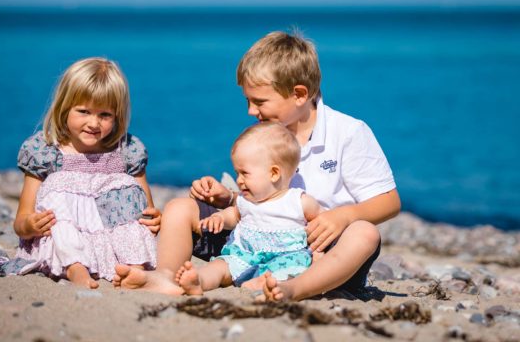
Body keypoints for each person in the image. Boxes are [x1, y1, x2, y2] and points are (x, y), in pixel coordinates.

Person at [113, 31, 400, 301]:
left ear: (299, 94)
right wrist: (228, 199)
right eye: (248, 101)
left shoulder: (347, 132)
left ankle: (292, 288)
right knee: (179, 207)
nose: (251, 111)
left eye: (259, 102)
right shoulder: (267, 132)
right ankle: (166, 277)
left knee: (365, 233)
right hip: (252, 243)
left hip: (318, 251)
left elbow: (389, 202)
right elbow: (267, 199)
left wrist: (344, 217)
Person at [0, 58, 161, 288]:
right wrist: (30, 225)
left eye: (105, 115)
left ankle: (135, 268)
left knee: (124, 186)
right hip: (64, 240)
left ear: (117, 116)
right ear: (64, 107)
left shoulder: (127, 151)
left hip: (113, 242)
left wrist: (153, 221)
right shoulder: (46, 151)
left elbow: (144, 211)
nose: (94, 123)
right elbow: (21, 221)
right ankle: (76, 269)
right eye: (83, 111)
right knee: (57, 186)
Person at [176, 122, 323, 295]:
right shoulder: (246, 199)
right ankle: (199, 280)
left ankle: (265, 283)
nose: (238, 180)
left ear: (274, 173)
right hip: (245, 255)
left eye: (244, 173)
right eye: (237, 173)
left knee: (294, 270)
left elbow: (321, 225)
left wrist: (318, 252)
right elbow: (235, 215)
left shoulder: (299, 201)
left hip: (285, 257)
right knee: (221, 266)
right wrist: (221, 218)